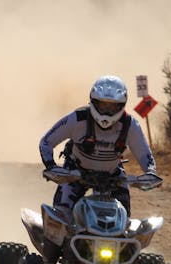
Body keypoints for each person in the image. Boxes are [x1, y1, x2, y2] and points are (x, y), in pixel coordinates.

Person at [39, 74, 160, 218]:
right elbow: (46, 142)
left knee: (124, 220)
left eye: (113, 106)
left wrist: (151, 172)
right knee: (60, 217)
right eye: (103, 104)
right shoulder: (77, 118)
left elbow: (144, 155)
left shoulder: (130, 125)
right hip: (75, 173)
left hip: (113, 176)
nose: (107, 111)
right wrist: (51, 166)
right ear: (93, 101)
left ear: (121, 105)